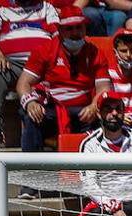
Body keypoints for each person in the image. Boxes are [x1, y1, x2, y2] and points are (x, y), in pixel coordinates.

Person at [16, 6, 109, 181]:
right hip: (52, 110)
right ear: (60, 30)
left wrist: (94, 106)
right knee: (31, 116)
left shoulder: (96, 53)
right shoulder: (45, 50)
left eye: (79, 27)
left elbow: (104, 89)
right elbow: (23, 83)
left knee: (108, 116)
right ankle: (32, 181)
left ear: (85, 28)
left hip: (84, 112)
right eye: (69, 28)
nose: (75, 33)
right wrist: (30, 103)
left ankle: (95, 180)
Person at [0, 0, 59, 148]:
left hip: (42, 65)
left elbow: (58, 36)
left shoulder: (46, 5)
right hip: (11, 64)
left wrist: (51, 59)